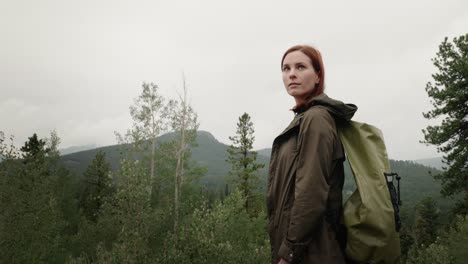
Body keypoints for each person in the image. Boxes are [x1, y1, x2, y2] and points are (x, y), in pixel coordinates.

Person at [266, 45, 357, 264]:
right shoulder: (303, 119)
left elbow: (311, 192)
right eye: (286, 68)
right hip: (303, 251)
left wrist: (288, 253)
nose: (291, 74)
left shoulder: (316, 119)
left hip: (315, 252)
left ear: (318, 76)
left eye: (300, 67)